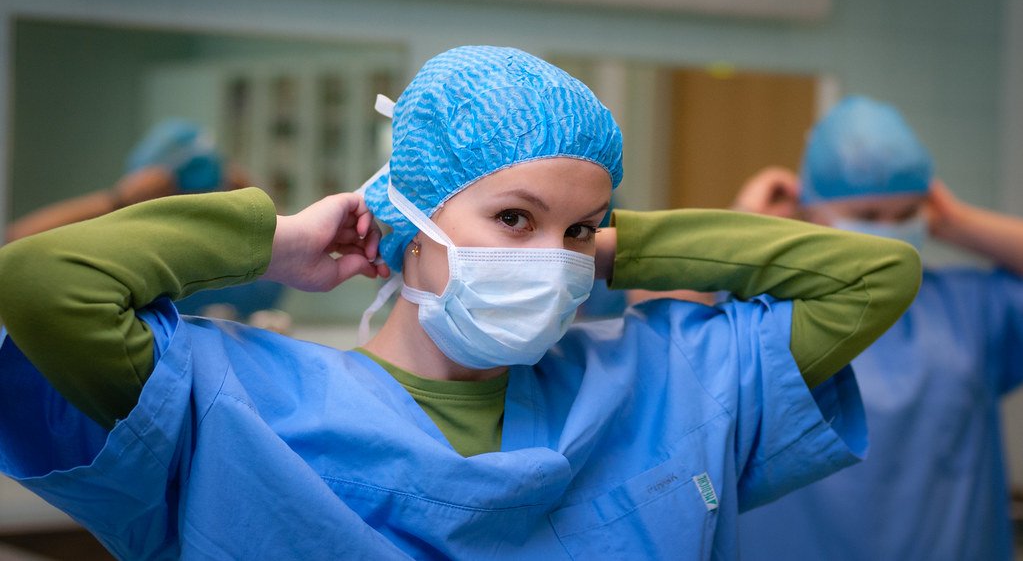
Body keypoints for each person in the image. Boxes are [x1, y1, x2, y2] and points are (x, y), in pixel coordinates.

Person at [0, 48, 920, 560]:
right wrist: (274, 242)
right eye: (513, 217)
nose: (549, 261)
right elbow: (42, 281)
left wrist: (609, 248)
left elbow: (873, 278)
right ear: (408, 219)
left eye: (577, 230)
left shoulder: (663, 381)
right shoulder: (230, 403)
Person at [736, 96, 1023, 561]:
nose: (888, 233)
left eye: (907, 213)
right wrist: (742, 231)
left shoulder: (971, 307)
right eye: (867, 216)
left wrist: (958, 222)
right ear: (810, 211)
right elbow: (662, 332)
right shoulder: (757, 311)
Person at [4, 118, 286, 323]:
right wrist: (117, 201)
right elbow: (14, 250)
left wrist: (116, 201)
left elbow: (16, 250)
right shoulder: (125, 253)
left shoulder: (237, 266)